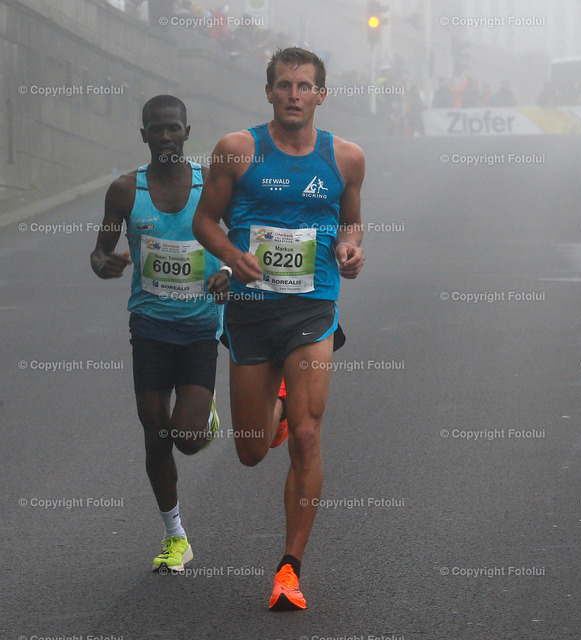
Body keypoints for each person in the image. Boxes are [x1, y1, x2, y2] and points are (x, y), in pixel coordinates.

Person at [192, 47, 365, 610]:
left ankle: (290, 569)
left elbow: (352, 221)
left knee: (309, 435)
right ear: (268, 92)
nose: (294, 95)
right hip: (250, 309)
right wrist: (230, 255)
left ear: (321, 94)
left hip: (313, 306)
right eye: (285, 85)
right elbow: (204, 219)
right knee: (251, 450)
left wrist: (350, 248)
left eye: (305, 86)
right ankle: (279, 406)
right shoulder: (237, 150)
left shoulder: (345, 157)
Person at [90, 95, 230, 573]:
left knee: (186, 438)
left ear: (187, 132)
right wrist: (104, 264)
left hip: (199, 327)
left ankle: (203, 413)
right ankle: (175, 536)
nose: (165, 136)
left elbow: (243, 238)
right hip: (149, 326)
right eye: (156, 129)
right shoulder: (124, 191)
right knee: (155, 434)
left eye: (173, 128)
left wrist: (228, 270)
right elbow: (99, 251)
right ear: (143, 135)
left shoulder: (211, 186)